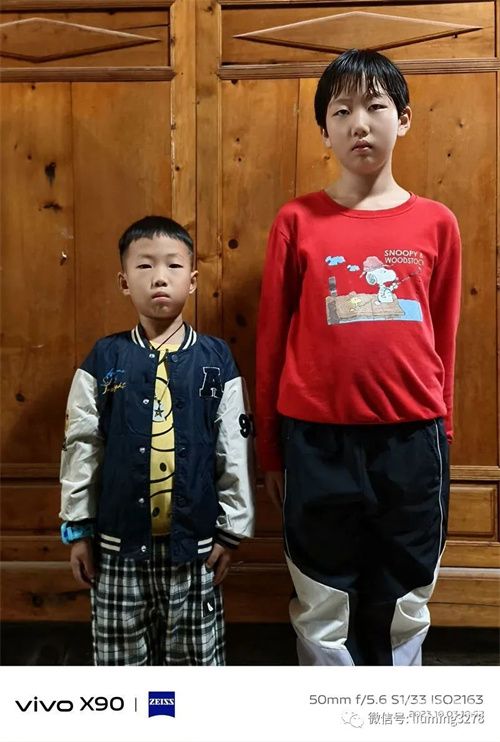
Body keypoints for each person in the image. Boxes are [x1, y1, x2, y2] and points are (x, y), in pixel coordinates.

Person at [256, 49, 461, 666]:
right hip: (315, 441)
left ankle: (391, 709)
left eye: (375, 106)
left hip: (414, 439)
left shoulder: (437, 224)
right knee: (321, 593)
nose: (359, 124)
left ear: (404, 119)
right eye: (341, 111)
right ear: (325, 129)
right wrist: (271, 449)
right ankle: (330, 708)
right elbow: (271, 341)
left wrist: (444, 432)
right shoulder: (296, 221)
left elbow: (444, 340)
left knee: (404, 593)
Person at [60, 215, 255, 665]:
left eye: (173, 265)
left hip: (195, 550)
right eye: (145, 266)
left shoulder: (215, 359)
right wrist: (78, 529)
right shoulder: (104, 358)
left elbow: (235, 445)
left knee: (194, 666)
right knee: (122, 665)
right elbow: (81, 444)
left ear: (193, 279)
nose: (160, 277)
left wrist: (231, 531)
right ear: (124, 282)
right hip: (117, 550)